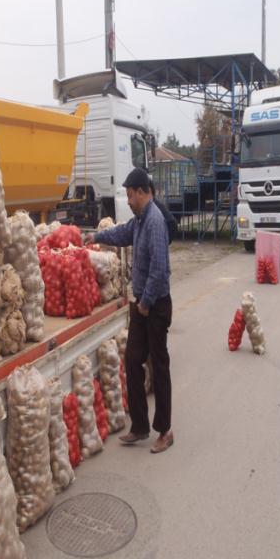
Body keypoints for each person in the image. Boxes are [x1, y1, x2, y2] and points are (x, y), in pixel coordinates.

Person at [85, 167, 174, 453]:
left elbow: (160, 271)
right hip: (142, 306)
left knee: (158, 367)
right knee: (132, 361)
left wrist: (146, 303)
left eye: (129, 195)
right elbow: (122, 233)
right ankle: (139, 426)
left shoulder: (155, 222)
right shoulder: (138, 221)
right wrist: (95, 237)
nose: (128, 200)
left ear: (140, 192)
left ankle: (165, 430)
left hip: (155, 306)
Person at [149, 178, 178, 244]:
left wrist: (164, 240)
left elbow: (173, 223)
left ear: (149, 192)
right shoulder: (153, 205)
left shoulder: (155, 207)